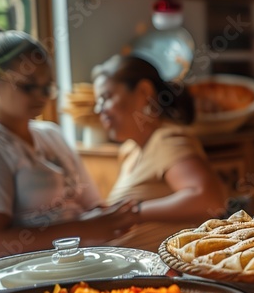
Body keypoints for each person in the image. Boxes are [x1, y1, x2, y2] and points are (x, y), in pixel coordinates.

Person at [0, 28, 138, 260]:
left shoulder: (52, 134)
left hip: (83, 262)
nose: (41, 97)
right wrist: (84, 230)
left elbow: (94, 208)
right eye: (28, 86)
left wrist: (119, 216)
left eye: (46, 87)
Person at [92, 55, 226, 251]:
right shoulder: (130, 151)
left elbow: (209, 200)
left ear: (144, 92)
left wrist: (134, 213)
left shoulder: (166, 140)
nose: (99, 110)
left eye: (106, 97)